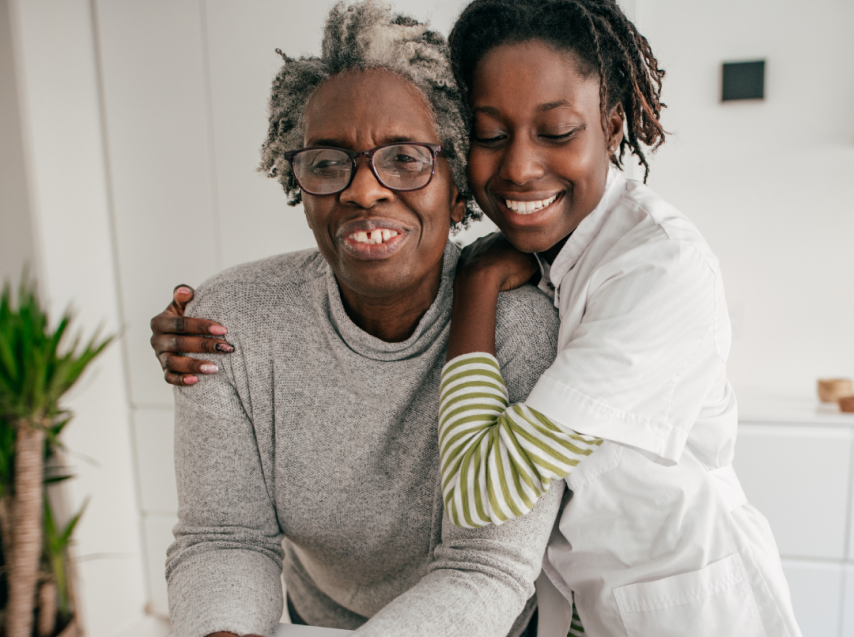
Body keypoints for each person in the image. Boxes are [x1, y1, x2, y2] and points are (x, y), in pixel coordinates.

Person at [151, 2, 564, 637]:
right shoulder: (232, 323)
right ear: (301, 189)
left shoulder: (521, 329)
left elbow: (485, 564)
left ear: (458, 187)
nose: (362, 190)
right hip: (315, 619)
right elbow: (223, 536)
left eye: (404, 158)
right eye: (327, 163)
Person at [435, 1, 802, 636]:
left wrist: (476, 283)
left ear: (610, 126)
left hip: (687, 613)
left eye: (556, 132)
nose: (519, 166)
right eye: (491, 135)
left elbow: (479, 492)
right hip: (580, 611)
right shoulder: (549, 252)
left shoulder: (656, 269)